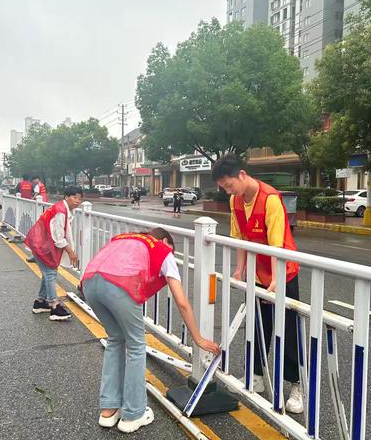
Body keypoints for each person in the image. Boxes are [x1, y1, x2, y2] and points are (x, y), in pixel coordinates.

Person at [81, 228, 220, 433]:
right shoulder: (163, 250)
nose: (170, 254)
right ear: (165, 241)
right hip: (120, 286)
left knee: (115, 340)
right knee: (136, 346)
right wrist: (198, 338)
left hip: (90, 283)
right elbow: (181, 302)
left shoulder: (124, 238)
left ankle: (108, 411)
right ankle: (133, 414)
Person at [211, 154, 303, 414]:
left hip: (282, 272)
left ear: (242, 175)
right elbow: (240, 238)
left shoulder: (270, 199)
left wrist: (275, 279)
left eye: (229, 185)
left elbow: (277, 246)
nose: (229, 191)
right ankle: (257, 376)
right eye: (225, 188)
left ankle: (296, 385)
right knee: (258, 325)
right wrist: (240, 269)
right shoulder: (235, 200)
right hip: (258, 273)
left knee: (288, 330)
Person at [25, 186, 83, 321]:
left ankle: (40, 302)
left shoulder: (62, 208)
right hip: (42, 244)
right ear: (66, 197)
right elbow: (58, 237)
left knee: (48, 273)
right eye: (74, 197)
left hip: (41, 243)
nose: (77, 201)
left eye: (80, 199)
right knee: (50, 273)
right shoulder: (61, 211)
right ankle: (54, 305)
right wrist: (71, 252)